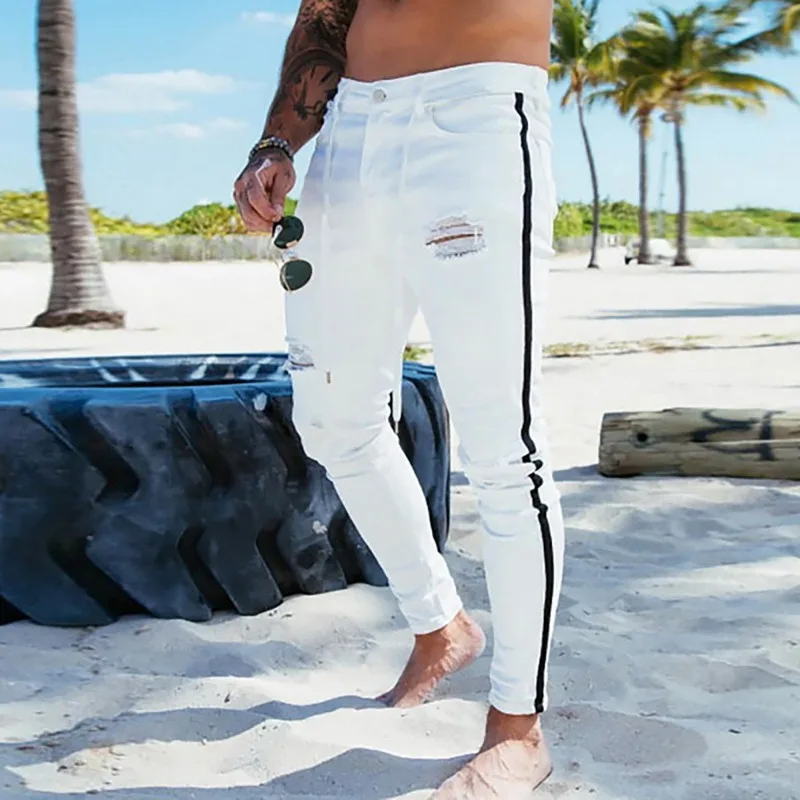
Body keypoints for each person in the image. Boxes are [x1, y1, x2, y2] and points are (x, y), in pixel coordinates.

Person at [233, 1, 565, 796]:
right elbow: (325, 15)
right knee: (334, 420)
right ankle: (439, 624)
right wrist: (277, 141)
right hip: (350, 132)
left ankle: (517, 726)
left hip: (474, 118)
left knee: (503, 448)